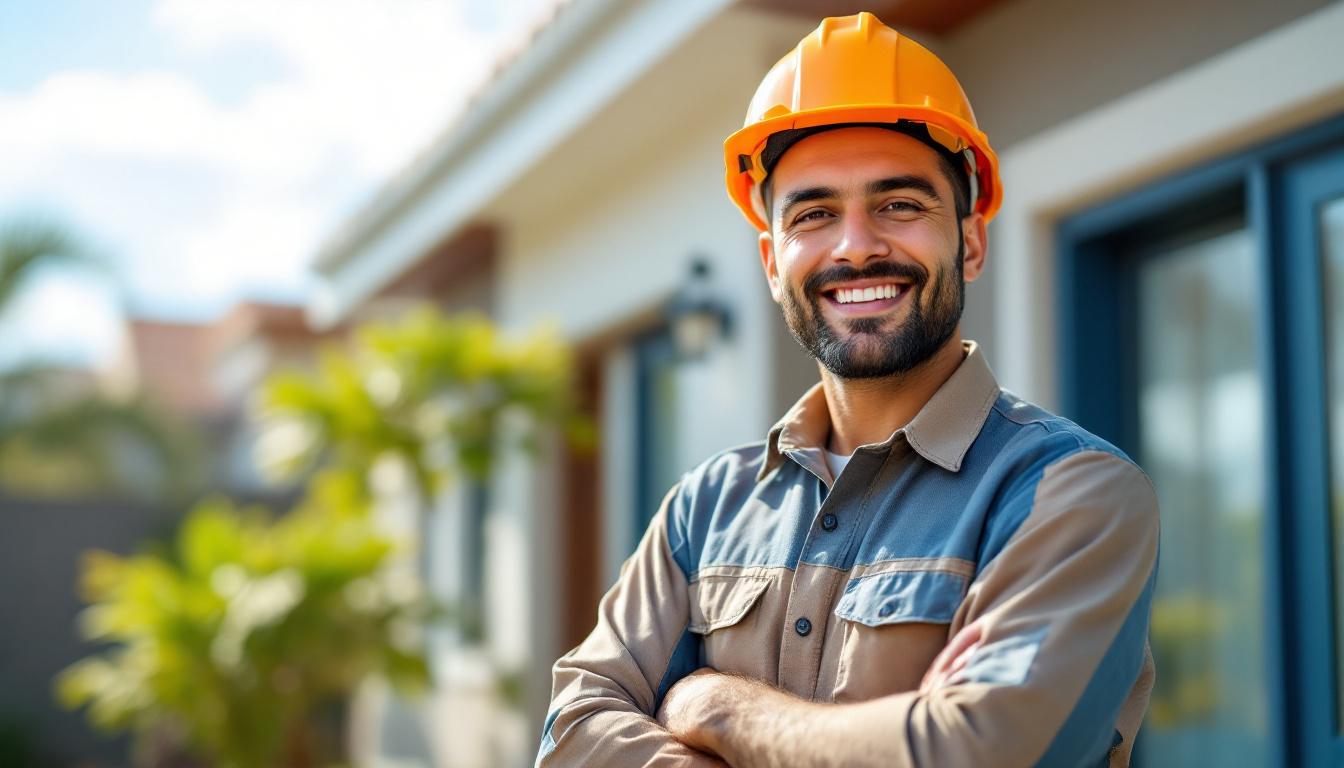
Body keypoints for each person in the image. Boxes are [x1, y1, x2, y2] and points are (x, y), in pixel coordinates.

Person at [536, 11, 1158, 768]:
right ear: (773, 264)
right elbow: (572, 730)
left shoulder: (1071, 494)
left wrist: (716, 704)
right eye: (814, 214)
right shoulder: (705, 508)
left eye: (900, 205)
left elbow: (975, 755)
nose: (856, 246)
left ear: (970, 241)